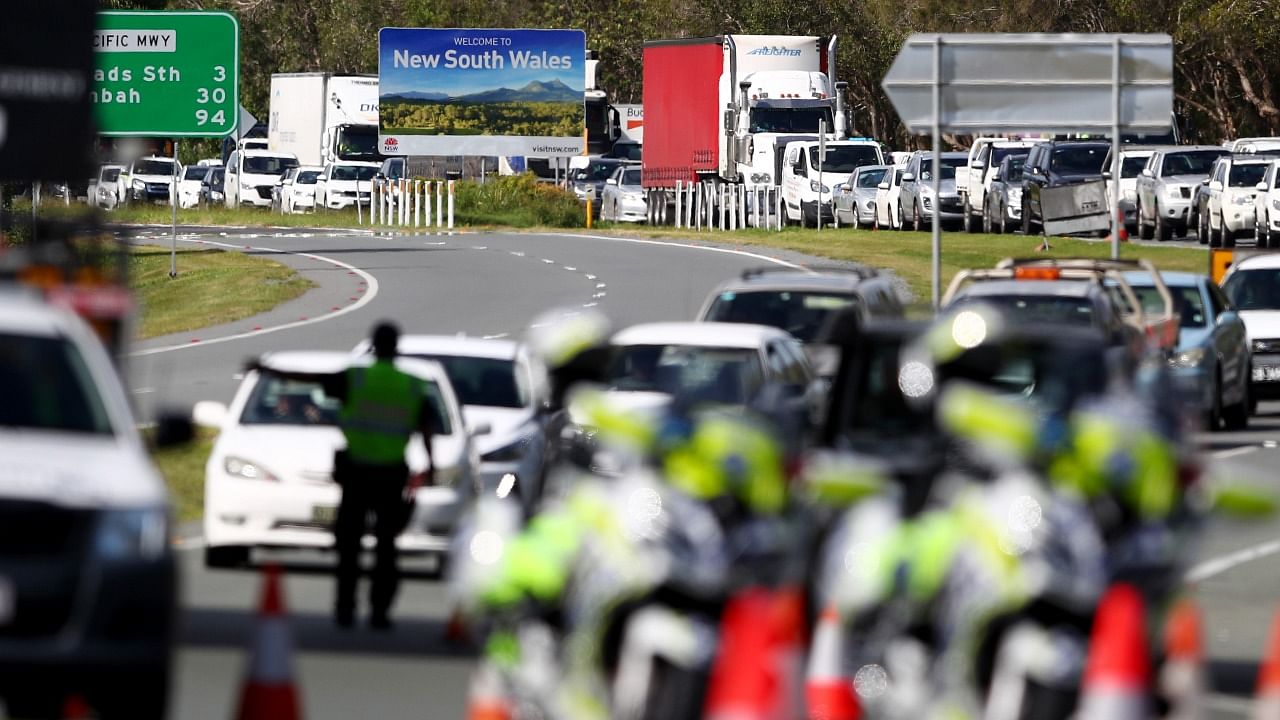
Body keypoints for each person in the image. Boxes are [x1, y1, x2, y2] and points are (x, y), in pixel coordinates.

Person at [249, 322, 434, 629]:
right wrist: (432, 465)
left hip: (357, 473)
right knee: (387, 547)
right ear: (397, 346)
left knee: (349, 546)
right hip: (390, 475)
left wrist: (268, 371)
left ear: (373, 345)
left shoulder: (357, 378)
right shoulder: (412, 384)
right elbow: (426, 428)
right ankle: (380, 612)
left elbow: (310, 379)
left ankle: (345, 608)